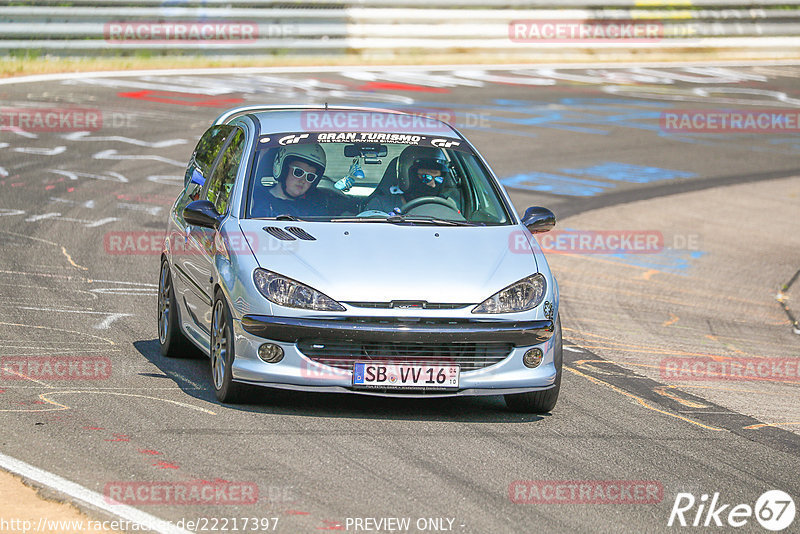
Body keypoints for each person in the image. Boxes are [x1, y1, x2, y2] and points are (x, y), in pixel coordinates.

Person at [364, 146, 456, 214]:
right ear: (407, 176)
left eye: (438, 179)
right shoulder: (381, 205)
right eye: (426, 177)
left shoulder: (446, 206)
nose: (433, 185)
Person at [260, 143, 327, 217]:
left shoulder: (314, 209)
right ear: (283, 170)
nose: (303, 180)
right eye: (298, 172)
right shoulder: (255, 201)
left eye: (310, 177)